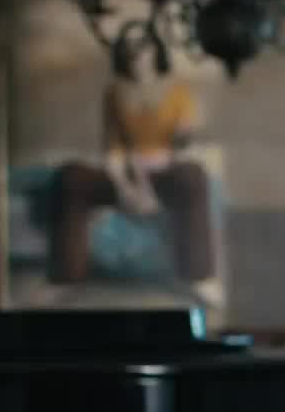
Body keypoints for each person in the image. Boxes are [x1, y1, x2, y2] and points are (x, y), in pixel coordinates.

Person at [50, 38, 216, 289]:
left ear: (156, 54)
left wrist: (164, 158)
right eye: (131, 53)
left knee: (193, 176)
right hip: (125, 171)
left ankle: (197, 275)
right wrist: (125, 187)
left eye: (143, 51)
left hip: (164, 171)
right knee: (70, 177)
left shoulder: (178, 92)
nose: (137, 58)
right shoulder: (114, 93)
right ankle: (67, 275)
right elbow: (112, 146)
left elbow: (183, 143)